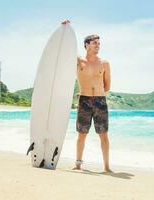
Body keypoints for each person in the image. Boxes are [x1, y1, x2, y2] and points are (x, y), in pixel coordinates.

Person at [61, 20, 112, 172]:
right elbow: (65, 49)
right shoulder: (79, 61)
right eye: (95, 43)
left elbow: (107, 85)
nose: (98, 45)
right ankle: (78, 164)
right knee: (82, 134)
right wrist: (65, 29)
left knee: (103, 134)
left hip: (100, 101)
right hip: (84, 100)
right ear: (87, 45)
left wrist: (98, 93)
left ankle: (107, 167)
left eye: (99, 43)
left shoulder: (104, 63)